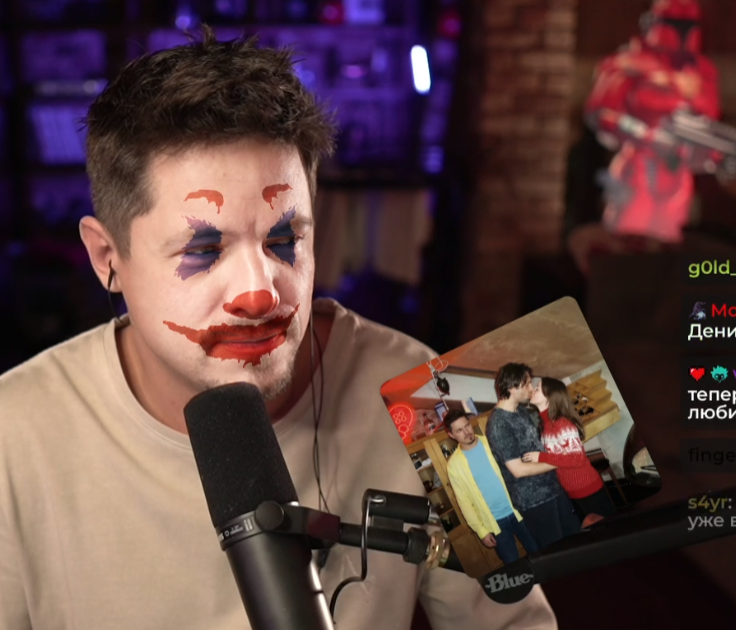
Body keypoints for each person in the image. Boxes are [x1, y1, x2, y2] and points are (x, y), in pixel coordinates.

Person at [0, 31, 557, 630]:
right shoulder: (14, 431)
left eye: (286, 239)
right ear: (107, 257)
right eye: (203, 249)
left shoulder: (429, 394)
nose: (260, 293)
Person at [485, 363, 580, 549]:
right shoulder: (498, 423)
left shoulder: (521, 411)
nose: (531, 388)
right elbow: (518, 470)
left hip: (554, 489)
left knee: (577, 540)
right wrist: (559, 460)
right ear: (513, 387)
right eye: (527, 383)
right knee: (558, 553)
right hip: (535, 502)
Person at [443, 409, 538, 564]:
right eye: (459, 430)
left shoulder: (492, 443)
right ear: (451, 435)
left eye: (467, 425)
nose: (467, 432)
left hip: (519, 509)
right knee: (513, 566)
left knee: (539, 552)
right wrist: (481, 531)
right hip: (494, 523)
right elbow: (464, 502)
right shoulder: (454, 465)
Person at [522, 377, 617, 520]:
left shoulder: (562, 423)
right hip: (572, 491)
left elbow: (577, 459)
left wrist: (541, 456)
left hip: (588, 488)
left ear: (550, 396)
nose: (533, 390)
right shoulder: (545, 425)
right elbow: (560, 459)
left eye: (537, 388)